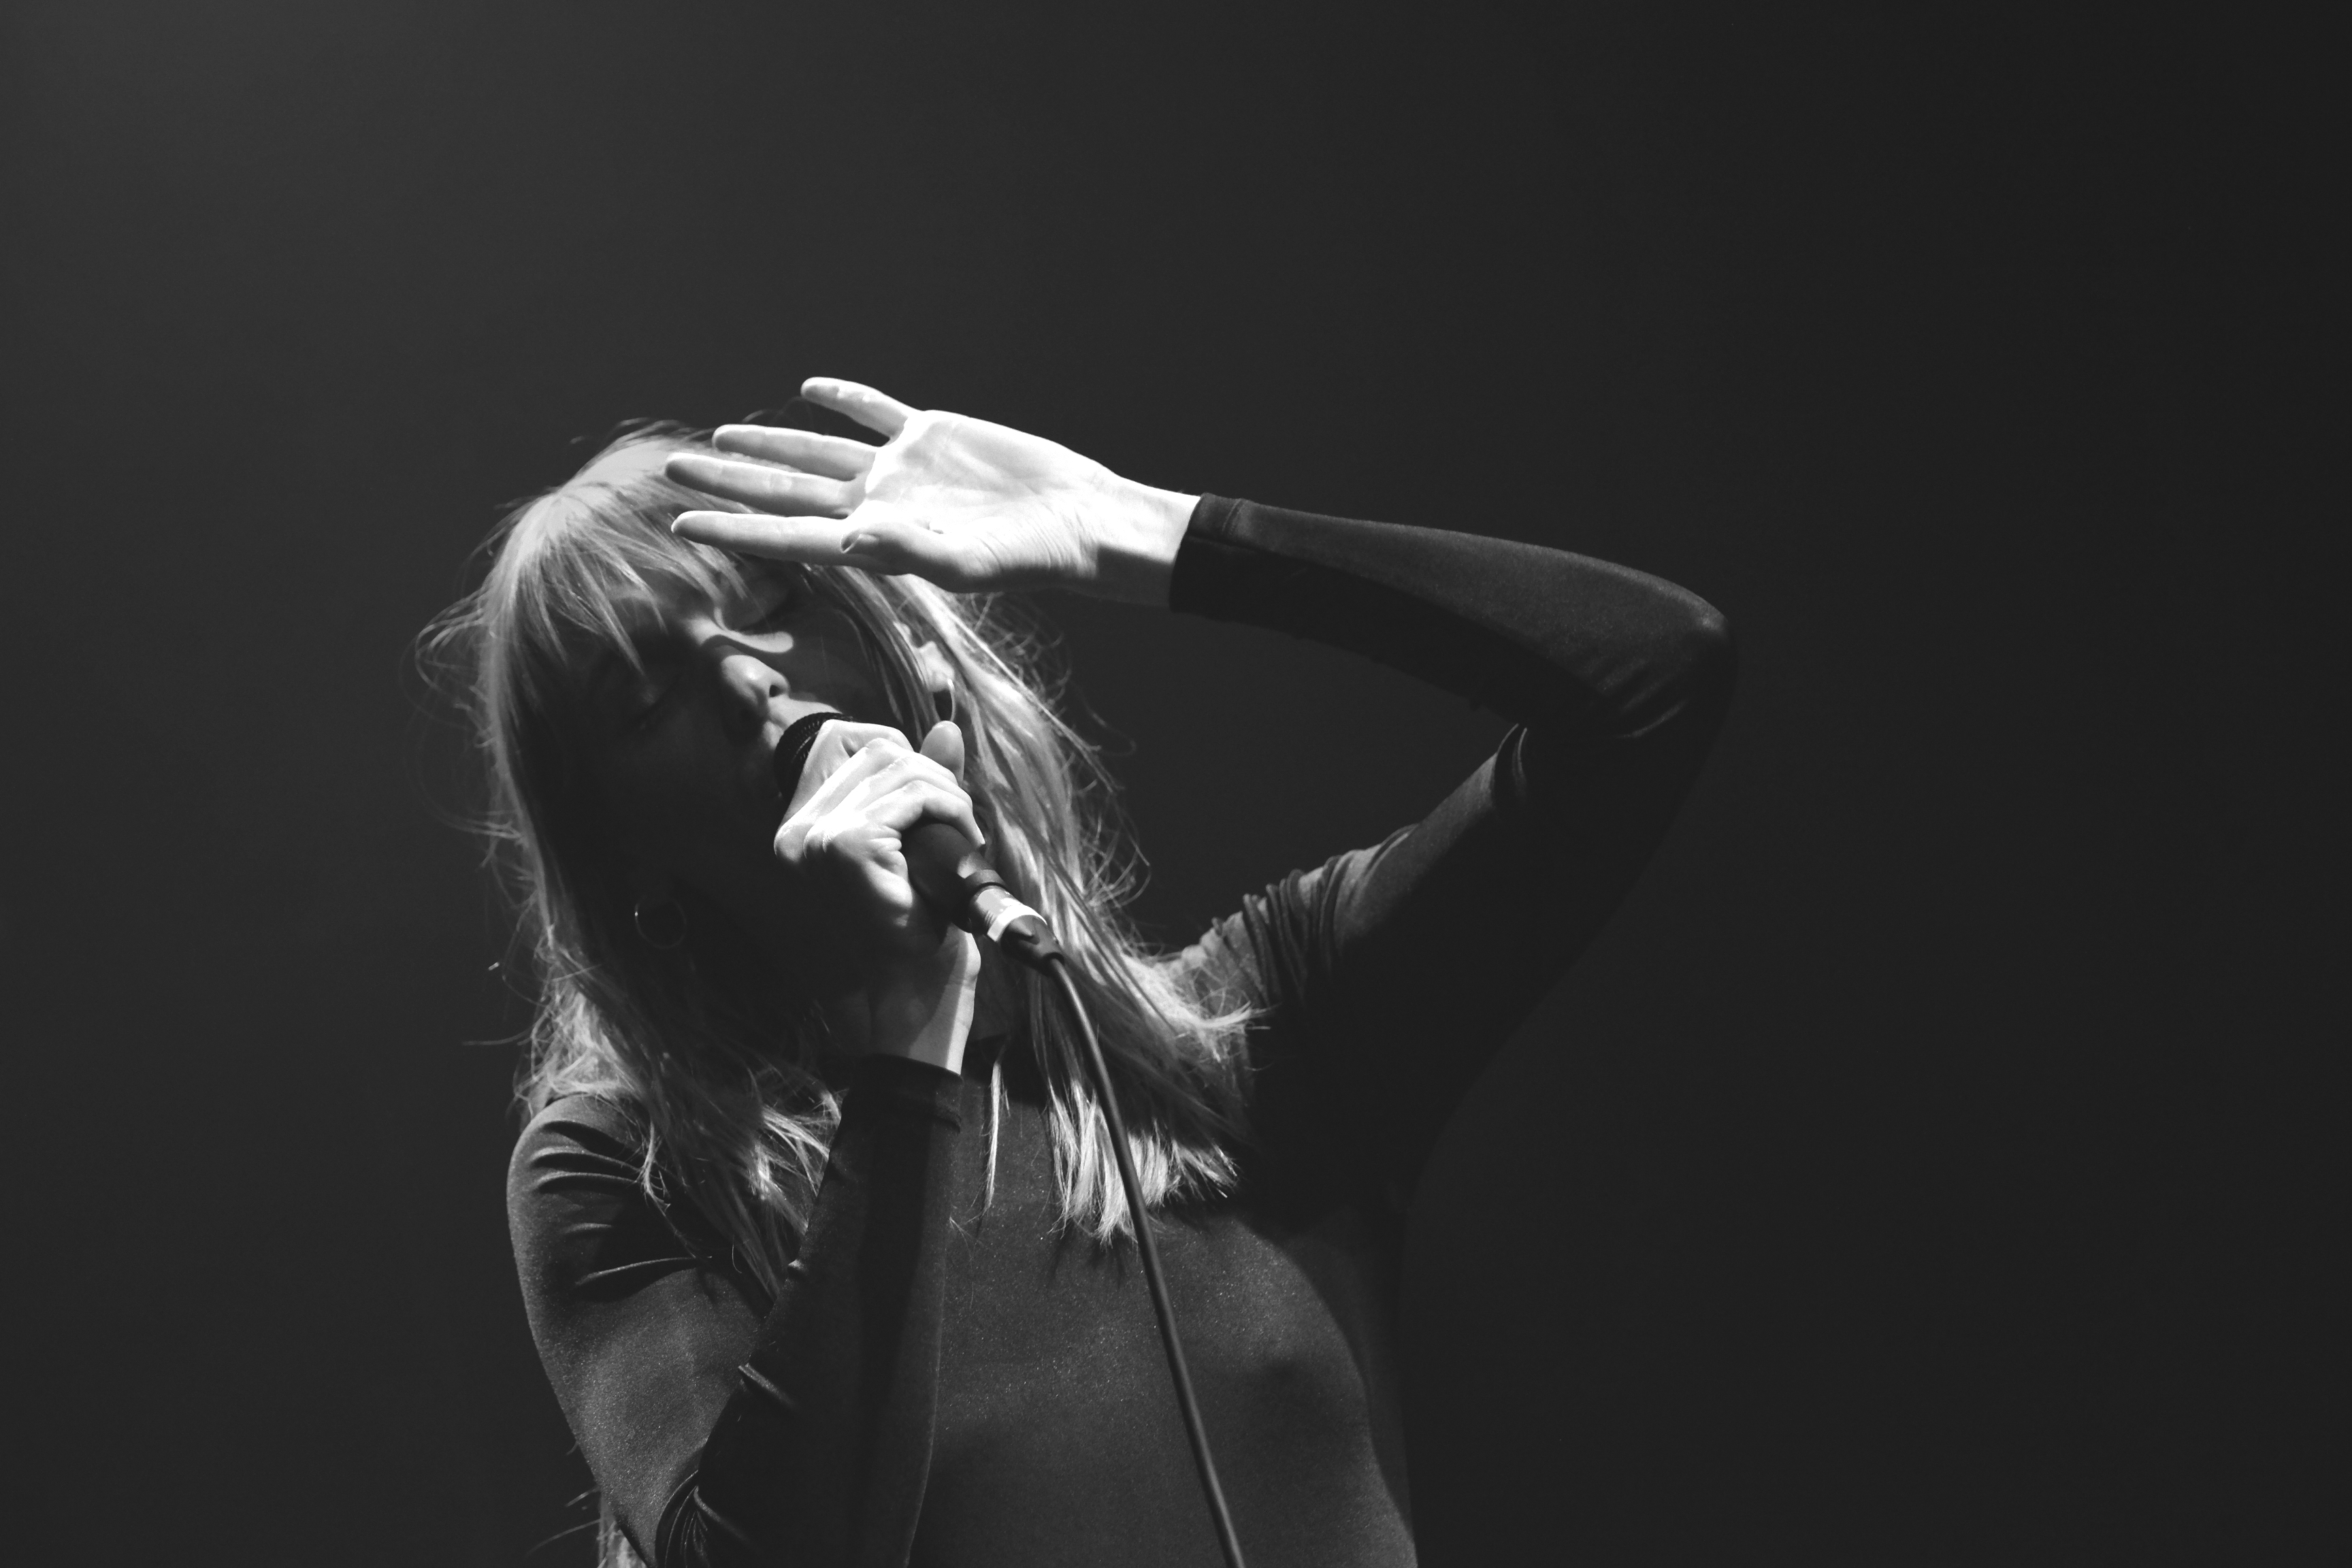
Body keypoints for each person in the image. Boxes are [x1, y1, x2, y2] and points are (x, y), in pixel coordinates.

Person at [432, 377, 1733, 1568]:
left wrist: (1153, 533)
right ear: (624, 857)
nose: (742, 678)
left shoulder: (1252, 1034)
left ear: (901, 643)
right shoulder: (628, 1173)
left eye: (771, 603)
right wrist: (899, 1044)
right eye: (644, 699)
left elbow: (1652, 681)